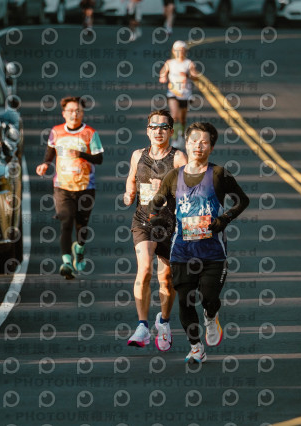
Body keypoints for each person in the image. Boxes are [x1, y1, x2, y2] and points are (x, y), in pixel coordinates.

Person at [149, 122, 250, 364]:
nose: (198, 146)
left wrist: (224, 219)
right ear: (187, 144)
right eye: (194, 141)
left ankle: (211, 316)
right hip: (182, 250)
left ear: (211, 147)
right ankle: (196, 347)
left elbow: (242, 200)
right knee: (184, 301)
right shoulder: (174, 176)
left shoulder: (219, 174)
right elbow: (157, 202)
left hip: (213, 251)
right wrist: (156, 218)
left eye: (204, 142)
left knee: (209, 297)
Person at [123, 110, 188, 350]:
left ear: (171, 132)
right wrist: (128, 193)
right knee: (145, 269)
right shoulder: (137, 155)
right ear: (147, 131)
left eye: (163, 127)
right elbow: (131, 178)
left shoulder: (178, 158)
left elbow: (190, 188)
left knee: (166, 278)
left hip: (170, 225)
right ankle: (142, 326)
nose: (158, 131)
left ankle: (164, 321)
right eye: (154, 127)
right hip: (143, 221)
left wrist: (169, 188)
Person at [35, 96, 104, 280]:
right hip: (62, 186)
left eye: (78, 111)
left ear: (83, 113)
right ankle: (66, 262)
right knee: (66, 220)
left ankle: (79, 249)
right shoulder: (56, 131)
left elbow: (99, 159)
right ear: (64, 113)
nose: (75, 114)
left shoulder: (90, 133)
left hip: (85, 186)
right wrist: (45, 164)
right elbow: (50, 150)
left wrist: (80, 154)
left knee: (82, 225)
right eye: (71, 111)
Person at [158, 40, 200, 146]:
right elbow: (162, 72)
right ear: (173, 51)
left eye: (182, 50)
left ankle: (181, 135)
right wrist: (163, 76)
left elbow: (196, 77)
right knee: (174, 116)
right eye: (177, 50)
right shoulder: (169, 63)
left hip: (185, 94)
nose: (180, 52)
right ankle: (175, 138)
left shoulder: (189, 64)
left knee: (182, 119)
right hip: (173, 93)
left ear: (185, 51)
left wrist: (187, 75)